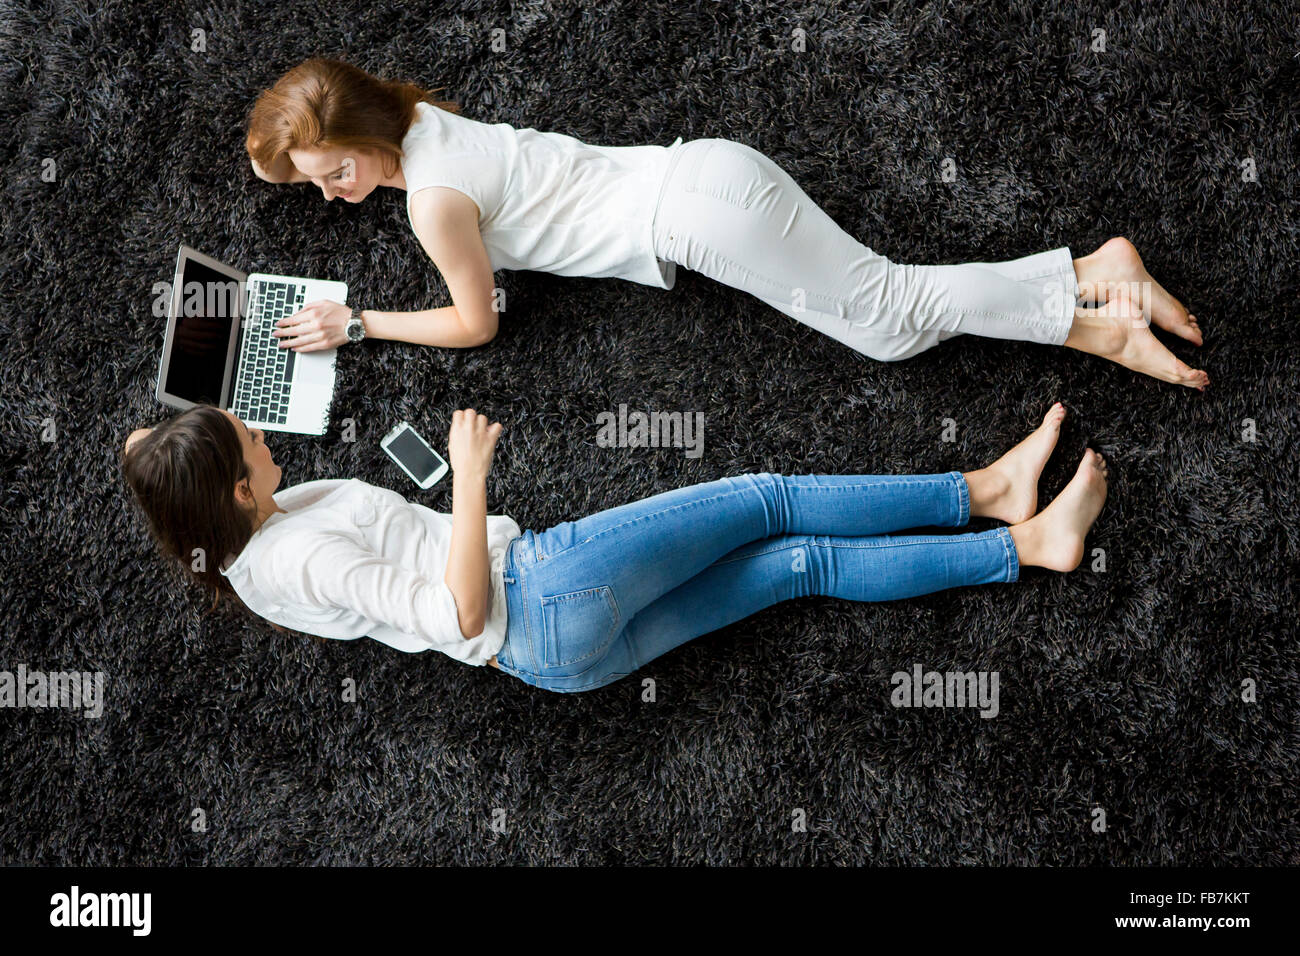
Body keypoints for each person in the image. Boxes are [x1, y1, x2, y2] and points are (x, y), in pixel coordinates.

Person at [244, 57, 1207, 389]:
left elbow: (475, 322)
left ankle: (1096, 283)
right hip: (704, 172)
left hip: (701, 222)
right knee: (884, 319)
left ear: (364, 136)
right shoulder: (421, 123)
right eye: (318, 185)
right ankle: (1090, 307)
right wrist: (287, 153)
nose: (333, 195)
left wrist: (359, 323)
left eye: (334, 174)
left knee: (887, 315)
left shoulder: (433, 206)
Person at [121, 402, 1109, 693]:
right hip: (538, 587)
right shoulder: (304, 558)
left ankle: (1022, 546)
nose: (255, 425)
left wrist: (162, 448)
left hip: (552, 658)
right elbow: (455, 610)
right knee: (769, 500)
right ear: (239, 490)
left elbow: (150, 458)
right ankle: (983, 489)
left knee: (801, 567)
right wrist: (467, 481)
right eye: (242, 435)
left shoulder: (247, 546)